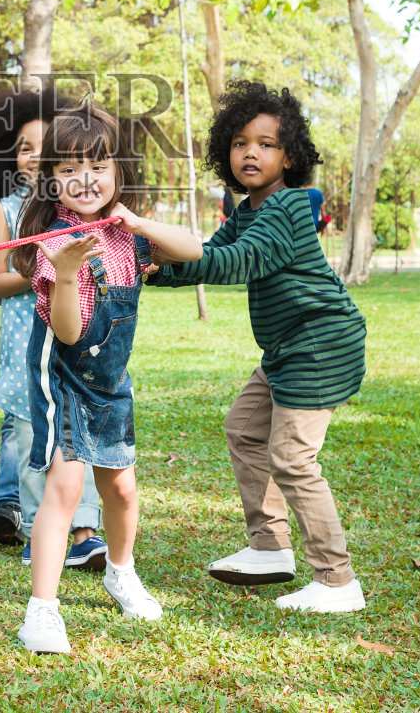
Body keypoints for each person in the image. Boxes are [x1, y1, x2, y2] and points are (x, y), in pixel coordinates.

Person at [146, 80, 369, 614]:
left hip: (320, 342)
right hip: (288, 347)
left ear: (290, 157)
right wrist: (148, 267)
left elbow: (237, 261)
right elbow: (206, 256)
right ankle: (269, 548)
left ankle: (337, 582)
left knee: (292, 458)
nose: (251, 152)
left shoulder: (289, 207)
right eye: (241, 141)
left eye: (266, 143)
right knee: (245, 429)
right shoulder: (247, 210)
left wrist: (152, 235)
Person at [11, 103, 203, 654]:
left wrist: (138, 223)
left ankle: (122, 571)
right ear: (51, 182)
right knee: (67, 485)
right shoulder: (55, 243)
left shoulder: (129, 236)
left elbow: (194, 248)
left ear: (118, 172)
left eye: (98, 165)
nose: (85, 179)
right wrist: (67, 271)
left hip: (111, 381)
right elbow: (68, 334)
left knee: (120, 486)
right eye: (69, 168)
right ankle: (41, 611)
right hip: (65, 380)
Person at [0, 87, 106, 570]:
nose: (35, 154)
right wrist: (46, 271)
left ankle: (84, 532)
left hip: (79, 334)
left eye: (48, 146)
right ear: (12, 157)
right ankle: (35, 531)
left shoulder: (80, 208)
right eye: (25, 146)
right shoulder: (6, 210)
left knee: (78, 431)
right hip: (26, 338)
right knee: (29, 435)